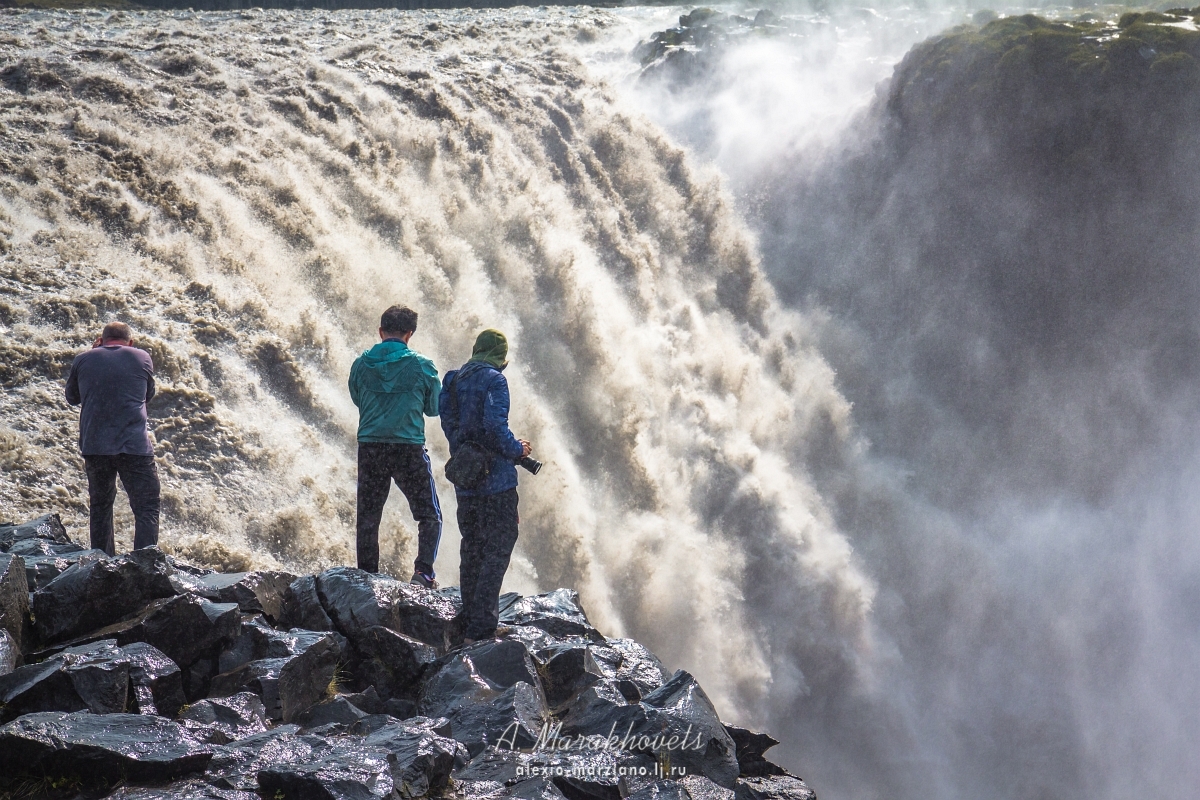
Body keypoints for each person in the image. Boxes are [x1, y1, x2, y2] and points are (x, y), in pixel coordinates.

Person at [440, 329, 532, 644]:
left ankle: (468, 620)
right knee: (498, 547)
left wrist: (468, 450)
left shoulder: (451, 381)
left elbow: (450, 426)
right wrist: (517, 449)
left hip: (467, 481)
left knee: (473, 548)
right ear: (499, 357)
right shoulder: (495, 380)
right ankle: (483, 626)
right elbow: (495, 427)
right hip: (497, 483)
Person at [349, 305, 443, 587]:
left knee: (368, 515)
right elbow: (434, 408)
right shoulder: (422, 365)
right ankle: (423, 572)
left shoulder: (361, 364)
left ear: (381, 331)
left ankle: (367, 575)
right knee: (429, 514)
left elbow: (357, 398)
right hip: (407, 448)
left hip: (371, 447)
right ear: (409, 334)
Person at [65, 321, 160, 556]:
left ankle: (102, 563)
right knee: (146, 507)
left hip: (96, 446)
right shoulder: (142, 357)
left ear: (101, 339)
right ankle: (144, 565)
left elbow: (72, 397)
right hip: (134, 446)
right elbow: (148, 394)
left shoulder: (83, 358)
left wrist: (93, 352)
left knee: (100, 507)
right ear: (130, 342)